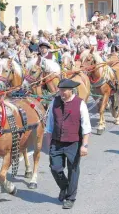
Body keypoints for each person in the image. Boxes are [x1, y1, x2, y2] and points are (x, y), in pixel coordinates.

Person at [45, 79, 91, 209]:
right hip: (56, 142)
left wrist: (84, 145)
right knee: (55, 168)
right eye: (60, 90)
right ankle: (65, 187)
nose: (61, 93)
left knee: (73, 170)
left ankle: (70, 197)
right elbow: (49, 125)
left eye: (64, 90)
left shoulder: (80, 104)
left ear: (71, 90)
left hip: (74, 143)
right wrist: (49, 144)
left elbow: (86, 127)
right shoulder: (54, 102)